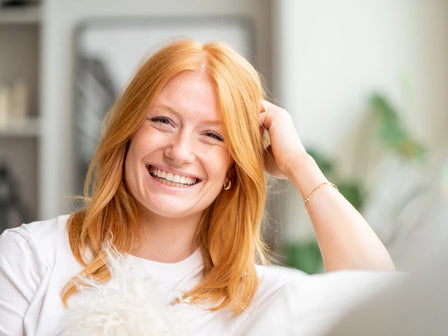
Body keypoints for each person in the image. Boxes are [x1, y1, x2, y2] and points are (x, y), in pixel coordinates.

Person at [0, 39, 395, 335]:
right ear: (128, 133)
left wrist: (299, 165)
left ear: (232, 170)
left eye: (212, 135)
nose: (180, 151)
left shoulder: (270, 300)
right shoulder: (29, 258)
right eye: (162, 121)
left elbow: (387, 313)